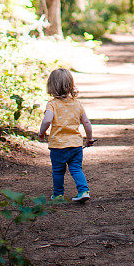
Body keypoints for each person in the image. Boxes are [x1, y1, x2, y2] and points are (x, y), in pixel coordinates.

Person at [38, 67, 95, 203]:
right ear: (70, 85)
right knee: (76, 168)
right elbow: (86, 122)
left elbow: (47, 120)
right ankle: (83, 191)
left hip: (58, 146)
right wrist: (90, 138)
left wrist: (41, 132)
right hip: (75, 145)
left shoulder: (52, 104)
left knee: (58, 171)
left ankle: (58, 195)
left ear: (51, 86)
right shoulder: (77, 104)